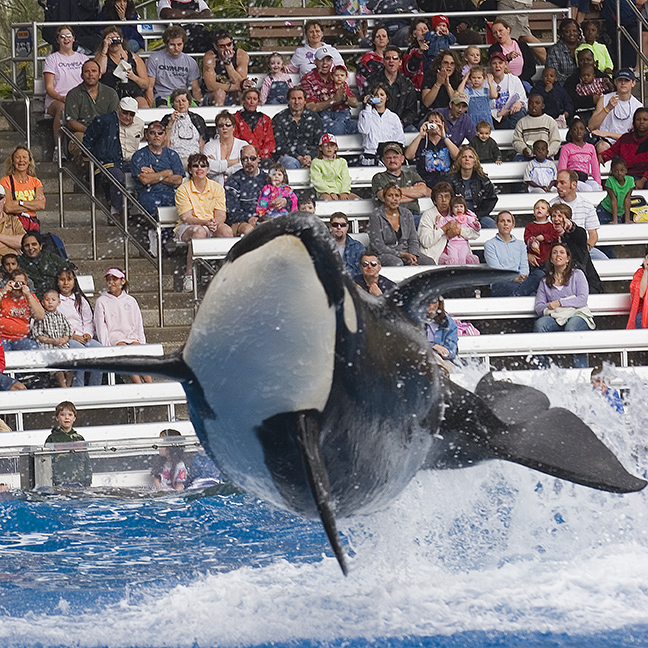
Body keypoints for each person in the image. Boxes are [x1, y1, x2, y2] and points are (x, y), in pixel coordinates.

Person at [175, 153, 231, 292]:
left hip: (209, 224)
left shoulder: (217, 187)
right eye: (195, 166)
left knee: (227, 231)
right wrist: (205, 223)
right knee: (198, 232)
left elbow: (221, 214)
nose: (199, 168)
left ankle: (225, 274)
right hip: (188, 227)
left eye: (203, 165)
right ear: (190, 169)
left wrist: (214, 223)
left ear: (207, 169)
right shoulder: (183, 189)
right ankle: (189, 275)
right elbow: (186, 217)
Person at [533, 243, 594, 369]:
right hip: (556, 317)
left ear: (568, 258)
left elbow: (582, 299)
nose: (558, 255)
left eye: (561, 252)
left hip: (577, 314)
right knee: (540, 324)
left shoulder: (577, 275)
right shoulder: (545, 281)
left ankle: (580, 371)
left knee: (572, 328)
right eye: (554, 253)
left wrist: (560, 303)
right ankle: (544, 370)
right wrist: (549, 306)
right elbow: (539, 307)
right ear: (551, 259)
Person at [83, 97, 144, 218]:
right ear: (118, 110)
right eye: (124, 112)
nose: (127, 116)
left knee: (146, 176)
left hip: (132, 162)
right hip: (109, 162)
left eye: (131, 114)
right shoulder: (104, 121)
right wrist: (96, 158)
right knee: (118, 177)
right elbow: (87, 140)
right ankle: (116, 210)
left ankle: (139, 211)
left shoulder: (140, 124)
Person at [93, 267, 151, 383]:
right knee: (124, 350)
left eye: (115, 279)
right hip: (115, 336)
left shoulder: (130, 300)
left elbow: (138, 323)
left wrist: (142, 341)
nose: (111, 283)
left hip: (131, 334)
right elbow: (100, 326)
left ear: (122, 281)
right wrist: (106, 345)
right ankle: (138, 384)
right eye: (109, 280)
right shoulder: (102, 301)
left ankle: (150, 384)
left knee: (138, 352)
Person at [65, 60, 120, 171]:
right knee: (78, 140)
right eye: (87, 71)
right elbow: (71, 122)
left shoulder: (111, 93)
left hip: (107, 133)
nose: (90, 74)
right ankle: (88, 174)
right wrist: (91, 131)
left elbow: (114, 119)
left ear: (100, 75)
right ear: (81, 75)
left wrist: (102, 134)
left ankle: (108, 170)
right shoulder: (73, 94)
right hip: (83, 132)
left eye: (94, 71)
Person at [130, 121, 185, 224]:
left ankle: (168, 235)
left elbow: (178, 180)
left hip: (170, 194)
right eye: (152, 133)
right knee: (151, 204)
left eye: (160, 133)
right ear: (147, 136)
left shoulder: (172, 155)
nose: (156, 136)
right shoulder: (139, 155)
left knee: (184, 204)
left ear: (165, 136)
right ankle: (153, 232)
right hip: (147, 193)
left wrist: (154, 174)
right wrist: (167, 173)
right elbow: (145, 180)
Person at [56, 267, 103, 388]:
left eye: (69, 280)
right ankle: (79, 387)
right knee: (78, 352)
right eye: (62, 280)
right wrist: (72, 335)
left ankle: (95, 387)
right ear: (57, 282)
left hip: (83, 337)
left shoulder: (80, 300)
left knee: (99, 350)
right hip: (67, 338)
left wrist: (88, 334)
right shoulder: (55, 301)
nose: (66, 283)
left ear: (74, 282)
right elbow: (56, 324)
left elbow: (88, 320)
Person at [369, 183, 433, 266]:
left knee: (429, 262)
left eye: (397, 196)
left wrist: (412, 255)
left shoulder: (407, 214)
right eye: (390, 195)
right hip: (384, 254)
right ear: (384, 198)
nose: (394, 199)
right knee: (397, 263)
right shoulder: (376, 216)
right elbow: (378, 246)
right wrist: (402, 255)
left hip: (407, 252)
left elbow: (413, 239)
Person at [43, 26, 88, 145]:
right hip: (58, 99)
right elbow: (49, 88)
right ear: (58, 40)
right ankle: (58, 148)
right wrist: (62, 98)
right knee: (62, 109)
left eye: (69, 36)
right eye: (62, 37)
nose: (66, 39)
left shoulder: (83, 58)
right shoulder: (52, 59)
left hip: (80, 98)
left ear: (73, 38)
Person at [485, 211, 543, 296]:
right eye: (502, 221)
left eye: (508, 221)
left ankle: (516, 294)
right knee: (533, 295)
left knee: (540, 274)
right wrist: (513, 278)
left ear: (513, 225)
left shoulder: (521, 244)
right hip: (501, 283)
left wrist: (522, 276)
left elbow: (524, 266)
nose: (505, 224)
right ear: (496, 225)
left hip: (521, 282)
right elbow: (496, 269)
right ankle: (519, 294)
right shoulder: (490, 244)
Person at [549, 203, 603, 294]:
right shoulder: (549, 237)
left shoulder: (576, 233)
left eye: (560, 216)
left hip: (586, 282)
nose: (556, 219)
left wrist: (570, 226)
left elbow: (579, 234)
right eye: (553, 216)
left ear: (568, 219)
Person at [551, 169, 603, 259]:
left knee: (604, 260)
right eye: (557, 183)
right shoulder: (551, 205)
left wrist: (586, 248)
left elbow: (593, 234)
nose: (558, 186)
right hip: (559, 249)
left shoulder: (587, 205)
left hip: (582, 247)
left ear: (573, 184)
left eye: (562, 183)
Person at [589, 69, 643, 154]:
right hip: (606, 141)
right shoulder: (604, 99)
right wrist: (607, 108)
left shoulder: (638, 106)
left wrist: (607, 133)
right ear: (615, 82)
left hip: (626, 142)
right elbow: (591, 126)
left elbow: (636, 136)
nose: (623, 83)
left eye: (626, 80)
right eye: (620, 80)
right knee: (602, 147)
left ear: (633, 83)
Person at [145, 26, 201, 107]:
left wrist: (199, 105)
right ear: (166, 44)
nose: (176, 48)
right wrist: (149, 108)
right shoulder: (154, 59)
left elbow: (195, 88)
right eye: (172, 45)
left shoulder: (190, 61)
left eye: (179, 44)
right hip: (162, 96)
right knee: (163, 110)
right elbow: (149, 86)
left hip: (183, 96)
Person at [371, 142, 430, 219]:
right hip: (389, 218)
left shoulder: (412, 175)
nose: (392, 160)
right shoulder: (379, 177)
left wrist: (392, 193)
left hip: (413, 216)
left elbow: (423, 191)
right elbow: (384, 197)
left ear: (402, 159)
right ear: (383, 160)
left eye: (395, 157)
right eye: (389, 158)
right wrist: (413, 195)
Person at [94, 25, 149, 108]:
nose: (114, 42)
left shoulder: (134, 57)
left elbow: (145, 84)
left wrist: (133, 77)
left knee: (143, 105)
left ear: (122, 39)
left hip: (132, 92)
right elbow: (100, 72)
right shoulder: (101, 56)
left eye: (116, 38)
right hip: (111, 92)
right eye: (110, 39)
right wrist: (105, 49)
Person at [272, 87, 324, 171]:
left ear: (305, 101)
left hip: (311, 156)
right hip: (288, 157)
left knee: (320, 163)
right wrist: (298, 157)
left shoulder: (314, 117)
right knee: (291, 163)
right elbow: (280, 146)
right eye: (293, 98)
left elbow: (319, 143)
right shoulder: (279, 119)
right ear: (288, 100)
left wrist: (309, 155)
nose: (296, 102)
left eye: (300, 98)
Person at [405, 111, 459, 189]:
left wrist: (444, 136)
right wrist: (421, 135)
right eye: (431, 122)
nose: (433, 124)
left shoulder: (448, 142)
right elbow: (408, 156)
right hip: (425, 183)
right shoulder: (421, 142)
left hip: (446, 183)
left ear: (442, 124)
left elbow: (458, 157)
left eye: (437, 122)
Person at [447, 145, 497, 228]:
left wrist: (477, 216)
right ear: (459, 160)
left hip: (478, 216)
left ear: (475, 161)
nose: (467, 159)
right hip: (455, 216)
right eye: (464, 157)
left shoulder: (483, 180)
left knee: (491, 225)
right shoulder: (450, 180)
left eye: (470, 157)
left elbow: (491, 199)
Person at [45, 402, 93, 488]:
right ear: (57, 418)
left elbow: (87, 462)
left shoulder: (79, 438)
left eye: (70, 415)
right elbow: (47, 463)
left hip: (80, 482)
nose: (67, 417)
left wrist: (88, 480)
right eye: (62, 415)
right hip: (59, 482)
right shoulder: (52, 439)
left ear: (74, 418)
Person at [30, 289, 72, 388]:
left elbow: (68, 331)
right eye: (47, 300)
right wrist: (52, 341)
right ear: (42, 302)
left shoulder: (61, 316)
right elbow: (38, 335)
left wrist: (64, 339)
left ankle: (69, 386)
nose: (50, 302)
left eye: (53, 300)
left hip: (62, 345)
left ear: (58, 302)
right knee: (58, 364)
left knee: (71, 363)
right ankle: (63, 386)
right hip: (48, 346)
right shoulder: (41, 317)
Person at [0, 146, 46, 233]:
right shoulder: (5, 181)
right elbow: (8, 207)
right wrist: (32, 205)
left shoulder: (36, 182)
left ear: (29, 161)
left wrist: (19, 203)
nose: (21, 160)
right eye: (18, 157)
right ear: (13, 161)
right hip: (12, 225)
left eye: (24, 157)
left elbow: (41, 205)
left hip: (31, 224)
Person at [600, 107, 648, 188]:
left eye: (645, 119)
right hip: (627, 176)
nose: (641, 122)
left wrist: (643, 180)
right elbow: (612, 151)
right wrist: (602, 156)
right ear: (634, 121)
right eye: (638, 119)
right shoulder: (626, 138)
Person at [358, 84, 405, 165]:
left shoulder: (393, 117)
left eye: (382, 95)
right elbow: (364, 130)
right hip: (371, 154)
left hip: (389, 156)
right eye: (376, 95)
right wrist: (368, 106)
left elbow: (400, 139)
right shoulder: (365, 113)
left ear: (387, 98)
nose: (379, 97)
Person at [202, 29, 252, 106]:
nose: (227, 48)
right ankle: (219, 117)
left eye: (229, 44)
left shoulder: (241, 55)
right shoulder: (210, 57)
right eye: (222, 46)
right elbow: (210, 86)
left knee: (244, 94)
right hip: (214, 94)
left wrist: (228, 64)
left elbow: (241, 82)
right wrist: (234, 87)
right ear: (216, 47)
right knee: (220, 93)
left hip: (234, 93)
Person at [224, 145, 265, 235]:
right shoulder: (234, 180)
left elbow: (287, 195)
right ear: (241, 161)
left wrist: (284, 200)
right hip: (241, 222)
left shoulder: (267, 178)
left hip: (265, 218)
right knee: (248, 230)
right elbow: (232, 211)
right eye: (245, 159)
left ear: (259, 159)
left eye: (252, 158)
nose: (249, 162)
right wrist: (249, 218)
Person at [160, 88, 208, 165]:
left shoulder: (197, 119)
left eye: (183, 100)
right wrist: (171, 123)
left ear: (189, 103)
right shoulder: (167, 119)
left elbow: (202, 143)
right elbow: (164, 145)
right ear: (173, 104)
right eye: (177, 101)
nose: (181, 103)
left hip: (195, 160)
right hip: (174, 160)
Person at [488, 18, 538, 91]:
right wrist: (507, 57)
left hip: (523, 81)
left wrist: (518, 80)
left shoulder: (523, 46)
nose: (498, 34)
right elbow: (496, 66)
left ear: (508, 29)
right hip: (504, 82)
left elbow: (531, 68)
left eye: (500, 30)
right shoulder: (494, 49)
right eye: (495, 33)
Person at [0, 269, 44, 351]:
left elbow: (40, 316)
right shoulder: (2, 294)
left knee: (34, 351)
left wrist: (28, 295)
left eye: (22, 283)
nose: (18, 286)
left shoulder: (30, 297)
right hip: (2, 338)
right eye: (16, 283)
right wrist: (4, 291)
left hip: (21, 339)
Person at [564, 47, 611, 123]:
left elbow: (612, 94)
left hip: (603, 111)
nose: (585, 62)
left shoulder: (603, 77)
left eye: (588, 60)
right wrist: (591, 99)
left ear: (594, 61)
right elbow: (570, 100)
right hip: (582, 113)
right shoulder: (571, 80)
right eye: (582, 60)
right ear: (578, 63)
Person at [512, 94, 562, 161]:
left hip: (545, 156)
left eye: (537, 103)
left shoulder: (550, 121)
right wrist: (524, 150)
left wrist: (547, 152)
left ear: (543, 106)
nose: (534, 105)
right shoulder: (521, 122)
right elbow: (517, 141)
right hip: (526, 155)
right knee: (517, 161)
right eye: (531, 103)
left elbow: (555, 141)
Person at [310, 134, 359, 200]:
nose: (329, 147)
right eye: (326, 145)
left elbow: (346, 178)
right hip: (325, 192)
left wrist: (344, 192)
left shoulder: (342, 161)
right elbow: (317, 181)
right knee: (327, 200)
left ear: (336, 148)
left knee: (357, 200)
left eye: (332, 145)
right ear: (320, 148)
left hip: (341, 191)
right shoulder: (316, 162)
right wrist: (330, 192)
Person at [558, 117, 602, 192]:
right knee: (586, 189)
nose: (579, 132)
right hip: (572, 179)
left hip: (585, 179)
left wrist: (598, 183)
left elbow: (595, 168)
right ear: (571, 132)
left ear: (585, 131)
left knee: (597, 187)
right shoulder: (566, 148)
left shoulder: (590, 147)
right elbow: (562, 168)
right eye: (575, 129)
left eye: (581, 129)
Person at [20, 233, 68, 299]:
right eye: (27, 245)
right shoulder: (18, 262)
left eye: (34, 244)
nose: (30, 248)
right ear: (23, 248)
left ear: (40, 246)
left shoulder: (53, 258)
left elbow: (68, 275)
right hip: (32, 301)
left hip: (56, 299)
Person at [233, 88, 276, 164]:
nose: (252, 102)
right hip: (241, 159)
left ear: (258, 101)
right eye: (249, 98)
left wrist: (257, 157)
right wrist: (248, 156)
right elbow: (235, 142)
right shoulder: (235, 119)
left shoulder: (266, 119)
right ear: (243, 100)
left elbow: (270, 143)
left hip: (262, 159)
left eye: (255, 99)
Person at [204, 111, 246, 186]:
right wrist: (236, 161)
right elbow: (207, 167)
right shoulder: (209, 146)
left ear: (233, 127)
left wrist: (219, 167)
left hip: (238, 186)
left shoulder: (243, 145)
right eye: (221, 125)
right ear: (217, 128)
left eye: (228, 125)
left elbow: (245, 166)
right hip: (214, 188)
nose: (224, 128)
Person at [489, 52, 528, 130]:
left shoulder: (514, 80)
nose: (497, 66)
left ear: (506, 64)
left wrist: (519, 103)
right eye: (494, 63)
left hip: (511, 115)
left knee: (520, 112)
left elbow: (524, 100)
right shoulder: (486, 82)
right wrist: (498, 114)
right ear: (490, 66)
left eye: (500, 63)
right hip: (493, 117)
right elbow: (482, 107)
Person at [437, 196, 480, 265]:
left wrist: (476, 224)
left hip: (463, 243)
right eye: (456, 207)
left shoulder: (467, 218)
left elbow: (476, 228)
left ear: (465, 208)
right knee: (453, 259)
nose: (459, 209)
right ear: (452, 209)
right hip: (452, 244)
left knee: (462, 259)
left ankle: (462, 273)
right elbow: (440, 226)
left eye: (461, 206)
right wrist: (438, 222)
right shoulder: (449, 219)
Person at [596, 157, 635, 225]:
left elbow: (627, 200)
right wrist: (615, 220)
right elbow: (613, 200)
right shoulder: (610, 181)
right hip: (605, 210)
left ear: (626, 171)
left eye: (622, 170)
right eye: (616, 171)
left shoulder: (630, 180)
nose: (619, 173)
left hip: (619, 212)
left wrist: (627, 219)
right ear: (612, 171)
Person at [525, 198, 560, 271]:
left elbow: (555, 237)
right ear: (534, 212)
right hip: (534, 258)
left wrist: (544, 237)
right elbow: (527, 238)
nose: (539, 209)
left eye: (543, 208)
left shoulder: (551, 226)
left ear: (547, 213)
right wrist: (533, 242)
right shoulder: (530, 226)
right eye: (537, 208)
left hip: (548, 258)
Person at [323, 64, 359, 136]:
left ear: (346, 77)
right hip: (329, 110)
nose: (339, 77)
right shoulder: (329, 86)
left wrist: (345, 97)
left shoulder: (344, 87)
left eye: (342, 75)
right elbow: (325, 94)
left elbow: (352, 99)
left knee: (340, 123)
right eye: (336, 75)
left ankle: (340, 137)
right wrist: (326, 97)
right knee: (325, 118)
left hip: (342, 110)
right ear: (332, 76)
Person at [425, 297, 458, 372]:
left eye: (433, 301)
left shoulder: (449, 323)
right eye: (427, 301)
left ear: (439, 303)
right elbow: (414, 344)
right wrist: (433, 346)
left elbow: (452, 351)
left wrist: (442, 352)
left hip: (442, 361)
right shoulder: (416, 321)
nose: (430, 305)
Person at [545, 18, 582, 85]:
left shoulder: (584, 47)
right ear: (562, 33)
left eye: (574, 31)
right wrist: (573, 82)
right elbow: (554, 74)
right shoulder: (554, 50)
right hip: (562, 86)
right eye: (567, 31)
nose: (571, 34)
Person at [357, 25, 389, 93]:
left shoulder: (394, 57)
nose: (381, 38)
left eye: (384, 36)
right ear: (374, 41)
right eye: (378, 36)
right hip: (374, 91)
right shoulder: (367, 58)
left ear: (388, 40)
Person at [401, 18, 430, 90]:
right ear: (414, 34)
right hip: (416, 88)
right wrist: (419, 53)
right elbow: (409, 70)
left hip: (433, 88)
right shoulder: (411, 50)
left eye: (425, 29)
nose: (423, 31)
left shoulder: (436, 47)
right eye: (420, 30)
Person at [0, 186, 26, 258]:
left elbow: (23, 241)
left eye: (0, 198)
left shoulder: (13, 220)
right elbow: (18, 242)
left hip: (12, 264)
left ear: (4, 200)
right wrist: (11, 244)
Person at [627, 251, 648, 328]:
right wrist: (646, 271)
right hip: (644, 315)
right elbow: (641, 293)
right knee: (640, 317)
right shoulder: (640, 273)